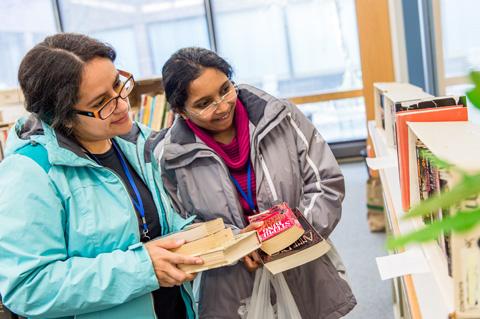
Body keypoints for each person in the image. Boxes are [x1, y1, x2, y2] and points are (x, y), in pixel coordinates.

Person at [0, 33, 204, 319]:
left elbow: (161, 223)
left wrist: (217, 239)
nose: (121, 104)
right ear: (63, 116)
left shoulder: (136, 141)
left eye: (118, 84)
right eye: (101, 102)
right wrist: (141, 268)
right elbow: (27, 287)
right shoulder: (30, 172)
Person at [156, 47, 357, 319]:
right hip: (232, 285)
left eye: (225, 89)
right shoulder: (169, 157)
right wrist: (236, 244)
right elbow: (178, 225)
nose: (223, 106)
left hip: (302, 264)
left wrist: (288, 235)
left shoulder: (281, 117)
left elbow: (325, 183)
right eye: (204, 104)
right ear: (181, 111)